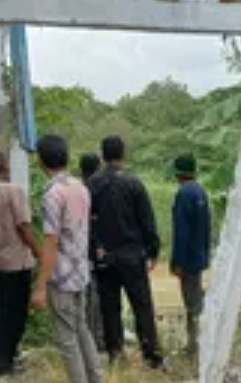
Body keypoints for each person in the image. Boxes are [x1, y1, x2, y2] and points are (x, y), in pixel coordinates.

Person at [31, 135, 103, 383]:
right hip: (81, 273)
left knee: (67, 340)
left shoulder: (53, 194)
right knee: (82, 329)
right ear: (66, 156)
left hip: (61, 278)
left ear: (40, 160)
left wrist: (40, 285)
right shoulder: (80, 187)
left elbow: (51, 241)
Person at [88, 135, 164, 369]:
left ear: (103, 155)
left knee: (110, 308)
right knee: (142, 305)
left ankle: (115, 354)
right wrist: (153, 250)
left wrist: (94, 249)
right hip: (132, 255)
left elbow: (85, 222)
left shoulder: (92, 184)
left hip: (105, 256)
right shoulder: (134, 183)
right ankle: (151, 355)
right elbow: (147, 221)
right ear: (123, 154)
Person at [0, 150, 40, 377]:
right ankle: (6, 361)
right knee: (16, 314)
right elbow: (24, 227)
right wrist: (40, 252)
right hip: (17, 263)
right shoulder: (14, 191)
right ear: (6, 168)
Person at [169, 154, 212, 357]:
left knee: (192, 303)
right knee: (196, 298)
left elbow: (181, 232)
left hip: (187, 259)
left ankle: (196, 345)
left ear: (178, 173)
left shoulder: (183, 194)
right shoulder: (201, 192)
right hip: (199, 257)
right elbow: (206, 229)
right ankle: (196, 343)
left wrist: (177, 261)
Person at [78, 153, 105, 352]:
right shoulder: (98, 189)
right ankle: (97, 340)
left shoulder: (77, 189)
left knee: (83, 299)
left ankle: (85, 339)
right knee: (97, 297)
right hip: (95, 251)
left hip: (77, 252)